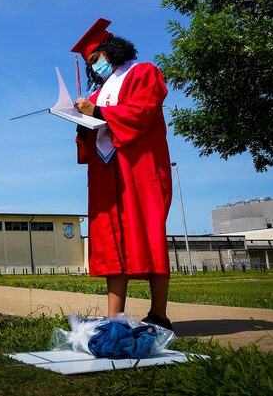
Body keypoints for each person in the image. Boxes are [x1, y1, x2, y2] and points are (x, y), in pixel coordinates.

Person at [71, 18, 174, 331]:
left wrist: (98, 112)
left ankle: (159, 314)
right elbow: (94, 129)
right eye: (90, 63)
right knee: (111, 238)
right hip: (108, 170)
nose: (94, 66)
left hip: (140, 168)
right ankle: (114, 317)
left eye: (95, 58)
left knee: (149, 233)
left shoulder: (144, 72)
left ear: (110, 50)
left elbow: (142, 110)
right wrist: (79, 121)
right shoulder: (99, 91)